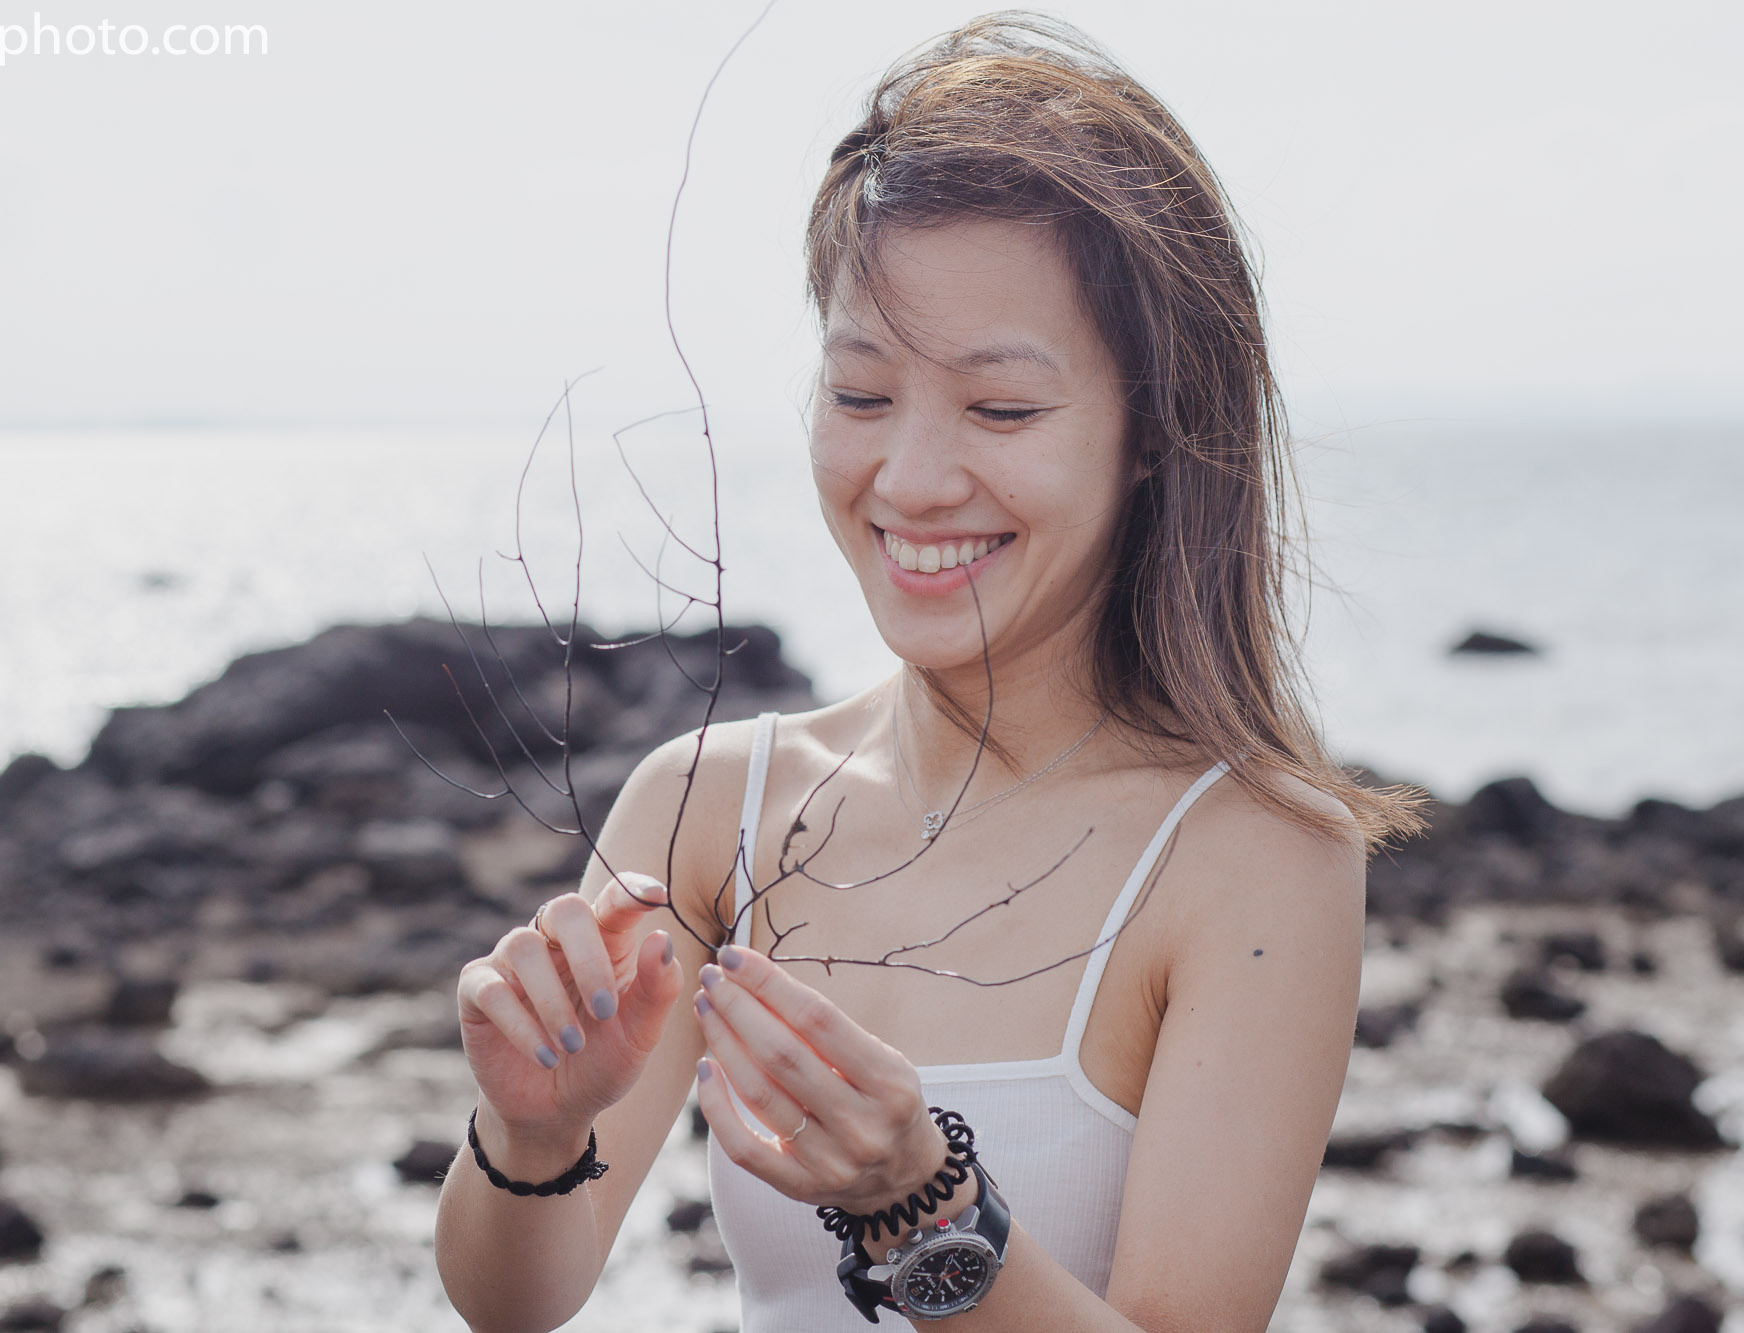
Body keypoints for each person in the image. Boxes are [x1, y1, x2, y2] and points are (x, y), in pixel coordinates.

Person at [434, 12, 1425, 1331]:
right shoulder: (709, 812)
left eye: (1001, 408)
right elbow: (517, 1298)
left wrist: (925, 1207)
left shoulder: (1255, 857)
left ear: (1153, 432)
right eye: (859, 394)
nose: (906, 478)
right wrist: (534, 1122)